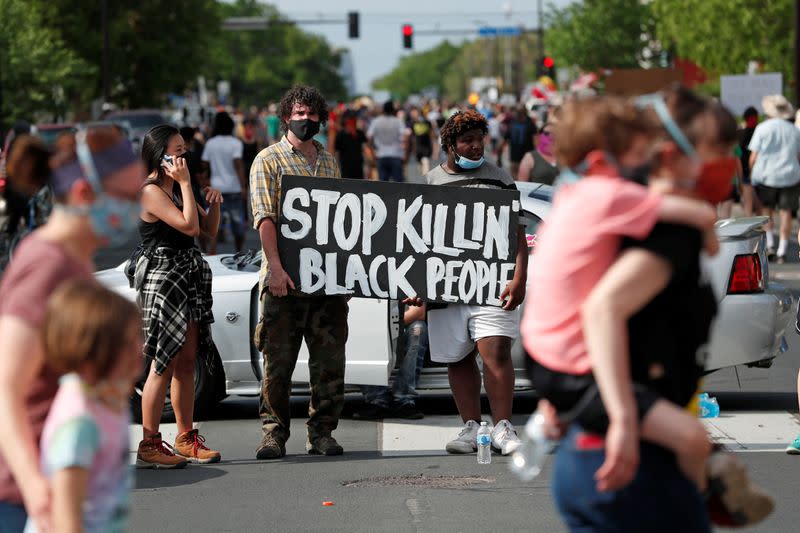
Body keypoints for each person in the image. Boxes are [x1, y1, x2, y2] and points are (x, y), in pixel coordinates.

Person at [533, 89, 773, 530]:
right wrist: (615, 413)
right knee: (691, 442)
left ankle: (707, 475)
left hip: (599, 456)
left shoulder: (613, 215)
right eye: (720, 149)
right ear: (669, 153)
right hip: (632, 471)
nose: (731, 160)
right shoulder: (658, 227)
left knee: (691, 441)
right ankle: (707, 481)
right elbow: (602, 309)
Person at [521, 94, 722, 492]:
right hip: (572, 367)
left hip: (540, 353)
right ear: (600, 161)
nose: (644, 162)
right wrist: (708, 232)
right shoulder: (607, 193)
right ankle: (704, 497)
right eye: (635, 153)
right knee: (693, 438)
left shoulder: (570, 195)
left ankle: (554, 413)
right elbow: (697, 214)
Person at [0, 126, 143, 533]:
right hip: (24, 499)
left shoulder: (76, 260)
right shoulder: (46, 266)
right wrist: (36, 490)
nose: (138, 206)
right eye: (129, 197)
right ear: (84, 194)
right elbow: (6, 391)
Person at [421, 109, 528, 456]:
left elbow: (517, 235)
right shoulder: (428, 183)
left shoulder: (500, 179)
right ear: (449, 144)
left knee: (496, 350)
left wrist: (518, 277)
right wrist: (414, 286)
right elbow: (413, 242)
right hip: (445, 285)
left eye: (480, 140)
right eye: (467, 141)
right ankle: (471, 426)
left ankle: (502, 426)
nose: (475, 147)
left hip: (492, 282)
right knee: (456, 357)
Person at [250, 85, 349, 459]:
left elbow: (343, 223)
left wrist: (347, 275)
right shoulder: (268, 161)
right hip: (283, 284)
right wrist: (275, 269)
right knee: (278, 366)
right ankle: (274, 434)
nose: (306, 120)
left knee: (329, 365)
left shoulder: (330, 162)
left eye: (312, 115)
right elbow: (265, 218)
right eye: (299, 113)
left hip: (326, 285)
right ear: (286, 115)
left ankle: (322, 433)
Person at [134, 124, 223, 469]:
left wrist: (211, 203)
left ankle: (185, 438)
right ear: (160, 155)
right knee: (162, 363)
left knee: (187, 360)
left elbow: (206, 231)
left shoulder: (178, 188)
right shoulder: (152, 191)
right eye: (176, 150)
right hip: (164, 278)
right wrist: (187, 186)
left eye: (184, 150)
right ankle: (149, 443)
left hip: (188, 275)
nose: (183, 156)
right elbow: (186, 226)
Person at [24, 281, 141, 533]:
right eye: (128, 343)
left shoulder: (107, 399)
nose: (140, 350)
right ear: (93, 349)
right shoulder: (79, 423)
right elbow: (66, 516)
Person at [354, 304, 429, 420]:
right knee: (355, 329)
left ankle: (404, 398)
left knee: (418, 329)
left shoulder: (411, 284)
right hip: (372, 325)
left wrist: (388, 324)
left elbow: (419, 312)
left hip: (400, 324)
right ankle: (377, 399)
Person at [749, 94, 800, 263]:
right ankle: (782, 251)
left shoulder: (762, 128)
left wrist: (751, 172)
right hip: (790, 176)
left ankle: (770, 243)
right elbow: (798, 156)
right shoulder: (794, 130)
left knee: (766, 212)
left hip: (766, 176)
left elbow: (753, 157)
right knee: (786, 213)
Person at [202, 111, 246, 254]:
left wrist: (205, 183)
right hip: (233, 189)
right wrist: (243, 186)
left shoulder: (210, 143)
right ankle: (238, 251)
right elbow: (238, 165)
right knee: (237, 225)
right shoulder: (236, 143)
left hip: (215, 189)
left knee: (214, 224)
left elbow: (204, 166)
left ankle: (212, 251)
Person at [367, 100, 408, 182]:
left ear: (383, 110)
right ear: (393, 110)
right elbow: (406, 137)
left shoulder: (376, 121)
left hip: (381, 155)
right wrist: (405, 153)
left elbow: (369, 137)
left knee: (383, 184)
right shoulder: (398, 121)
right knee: (398, 184)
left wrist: (372, 153)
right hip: (396, 154)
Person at [499, 106, 537, 178]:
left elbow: (503, 142)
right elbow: (536, 143)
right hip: (527, 159)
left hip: (515, 158)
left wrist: (499, 156)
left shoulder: (512, 124)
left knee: (516, 181)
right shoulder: (530, 124)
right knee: (527, 182)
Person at [334, 110, 368, 179]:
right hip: (345, 168)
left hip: (358, 168)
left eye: (354, 118)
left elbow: (365, 148)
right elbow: (337, 152)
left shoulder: (360, 133)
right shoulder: (340, 135)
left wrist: (368, 162)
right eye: (350, 119)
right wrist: (337, 167)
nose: (353, 121)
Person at [737, 106, 759, 216]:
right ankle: (763, 227)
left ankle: (749, 227)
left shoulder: (741, 133)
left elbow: (738, 155)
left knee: (748, 202)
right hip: (760, 172)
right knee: (761, 203)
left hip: (746, 170)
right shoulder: (760, 131)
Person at [410, 108, 436, 176]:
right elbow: (412, 137)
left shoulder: (427, 122)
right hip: (418, 147)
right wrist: (413, 148)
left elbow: (432, 134)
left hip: (426, 146)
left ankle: (425, 178)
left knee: (425, 161)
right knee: (420, 165)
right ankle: (423, 177)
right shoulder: (413, 123)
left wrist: (434, 148)